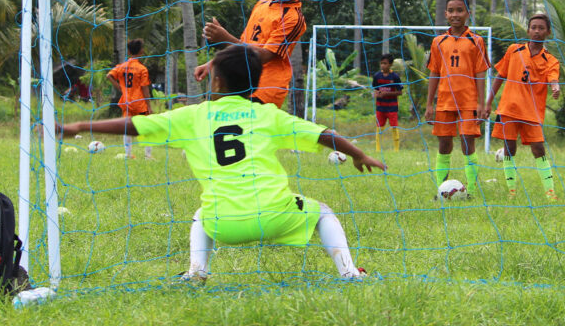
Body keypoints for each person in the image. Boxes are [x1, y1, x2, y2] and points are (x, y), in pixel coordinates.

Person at [58, 44, 385, 281]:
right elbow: (325, 134)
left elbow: (134, 125)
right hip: (275, 217)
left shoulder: (194, 116)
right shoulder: (268, 115)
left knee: (201, 215)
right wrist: (360, 155)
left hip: (222, 225)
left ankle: (197, 272)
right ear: (256, 84)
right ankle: (349, 273)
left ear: (215, 83)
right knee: (323, 212)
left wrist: (79, 126)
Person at [196, 0, 309, 109]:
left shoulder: (293, 18)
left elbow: (263, 56)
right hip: (242, 83)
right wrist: (214, 62)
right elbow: (243, 43)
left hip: (265, 91)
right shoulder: (261, 4)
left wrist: (225, 38)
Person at [485, 13, 561, 200]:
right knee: (509, 149)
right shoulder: (514, 50)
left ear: (548, 32)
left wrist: (555, 87)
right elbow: (500, 76)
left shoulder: (551, 60)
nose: (537, 31)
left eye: (541, 28)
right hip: (509, 109)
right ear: (528, 30)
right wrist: (487, 103)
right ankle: (512, 192)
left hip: (531, 113)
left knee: (538, 149)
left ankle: (550, 194)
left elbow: (553, 79)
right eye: (533, 27)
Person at [425, 0, 491, 197]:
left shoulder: (476, 41)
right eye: (451, 10)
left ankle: (470, 189)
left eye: (459, 10)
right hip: (445, 101)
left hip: (468, 101)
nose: (455, 14)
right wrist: (429, 104)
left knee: (467, 141)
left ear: (467, 13)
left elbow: (481, 73)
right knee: (444, 143)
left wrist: (481, 103)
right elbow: (434, 72)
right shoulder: (438, 41)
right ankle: (441, 189)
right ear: (445, 14)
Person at [107, 39, 154, 159]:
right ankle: (147, 155)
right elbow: (145, 89)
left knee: (127, 128)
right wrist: (148, 106)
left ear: (128, 51)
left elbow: (109, 76)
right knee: (146, 128)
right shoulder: (142, 69)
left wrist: (121, 89)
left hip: (126, 102)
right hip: (139, 103)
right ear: (141, 51)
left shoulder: (122, 67)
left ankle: (128, 154)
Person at [372, 53, 403, 152]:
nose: (383, 65)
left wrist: (386, 94)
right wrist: (377, 94)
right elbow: (375, 90)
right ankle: (377, 149)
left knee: (394, 127)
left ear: (390, 64)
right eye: (381, 63)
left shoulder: (395, 77)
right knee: (379, 128)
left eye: (385, 63)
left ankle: (396, 150)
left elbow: (400, 92)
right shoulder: (377, 76)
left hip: (392, 107)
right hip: (380, 107)